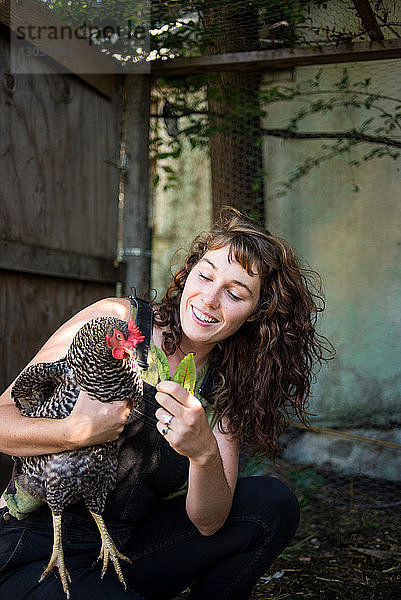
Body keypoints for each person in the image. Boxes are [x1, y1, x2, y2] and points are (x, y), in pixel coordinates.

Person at [0, 208, 330, 600]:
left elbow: (209, 523)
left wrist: (204, 454)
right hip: (35, 546)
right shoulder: (114, 323)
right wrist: (74, 431)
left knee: (270, 504)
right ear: (189, 272)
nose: (209, 299)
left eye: (235, 293)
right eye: (206, 275)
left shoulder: (227, 383)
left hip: (126, 551)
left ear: (258, 312)